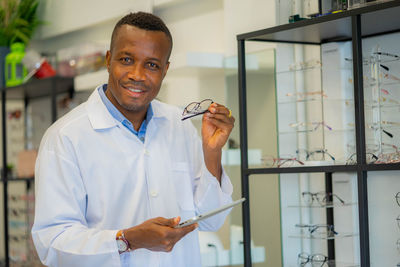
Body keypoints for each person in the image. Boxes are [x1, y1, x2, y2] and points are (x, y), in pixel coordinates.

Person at [32, 11, 235, 267]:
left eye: (152, 65)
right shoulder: (65, 137)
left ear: (165, 70)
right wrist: (126, 239)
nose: (137, 75)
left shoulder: (179, 125)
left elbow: (210, 220)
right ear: (108, 60)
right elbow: (53, 243)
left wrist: (212, 152)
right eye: (127, 60)